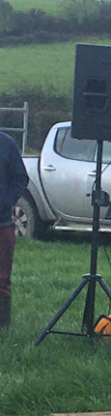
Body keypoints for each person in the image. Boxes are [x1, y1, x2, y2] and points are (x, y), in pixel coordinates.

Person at [0, 132, 29, 328]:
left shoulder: (6, 144)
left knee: (2, 280)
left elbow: (20, 178)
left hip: (2, 222)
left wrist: (5, 202)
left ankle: (3, 328)